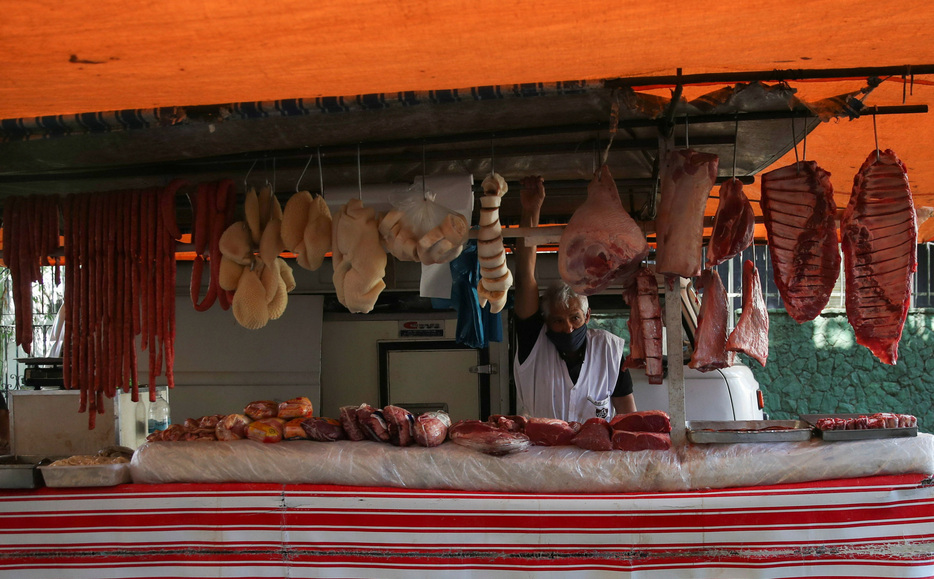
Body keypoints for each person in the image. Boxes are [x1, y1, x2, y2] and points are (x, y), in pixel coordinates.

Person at [513, 175, 637, 422]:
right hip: (542, 454)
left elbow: (628, 415)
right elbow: (525, 276)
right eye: (558, 321)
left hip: (594, 459)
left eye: (574, 318)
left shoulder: (610, 351)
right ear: (545, 320)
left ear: (587, 315)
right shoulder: (533, 344)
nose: (568, 328)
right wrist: (531, 211)